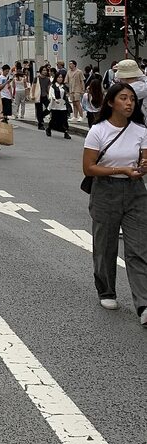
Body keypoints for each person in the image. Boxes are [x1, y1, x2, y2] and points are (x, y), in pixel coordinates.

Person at [82, 82, 147, 323]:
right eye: (123, 98)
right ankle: (106, 290)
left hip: (135, 192)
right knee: (105, 244)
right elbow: (88, 168)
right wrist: (120, 169)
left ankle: (144, 304)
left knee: (139, 248)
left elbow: (143, 160)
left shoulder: (141, 130)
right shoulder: (98, 131)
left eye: (132, 98)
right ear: (111, 102)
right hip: (105, 190)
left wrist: (141, 169)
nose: (129, 103)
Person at [47, 72, 72, 140]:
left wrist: (68, 99)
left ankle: (66, 132)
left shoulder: (64, 86)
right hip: (55, 105)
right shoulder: (53, 86)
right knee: (54, 118)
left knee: (64, 119)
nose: (60, 79)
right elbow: (51, 94)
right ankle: (49, 128)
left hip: (63, 105)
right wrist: (55, 99)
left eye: (61, 77)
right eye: (59, 77)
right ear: (56, 78)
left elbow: (67, 94)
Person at [31, 65, 52, 130]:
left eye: (46, 70)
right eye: (43, 70)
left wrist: (50, 95)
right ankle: (40, 124)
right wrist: (32, 95)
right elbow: (33, 87)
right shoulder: (36, 78)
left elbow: (48, 88)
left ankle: (41, 116)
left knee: (50, 107)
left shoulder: (47, 79)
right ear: (40, 71)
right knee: (39, 110)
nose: (45, 71)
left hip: (44, 95)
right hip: (38, 96)